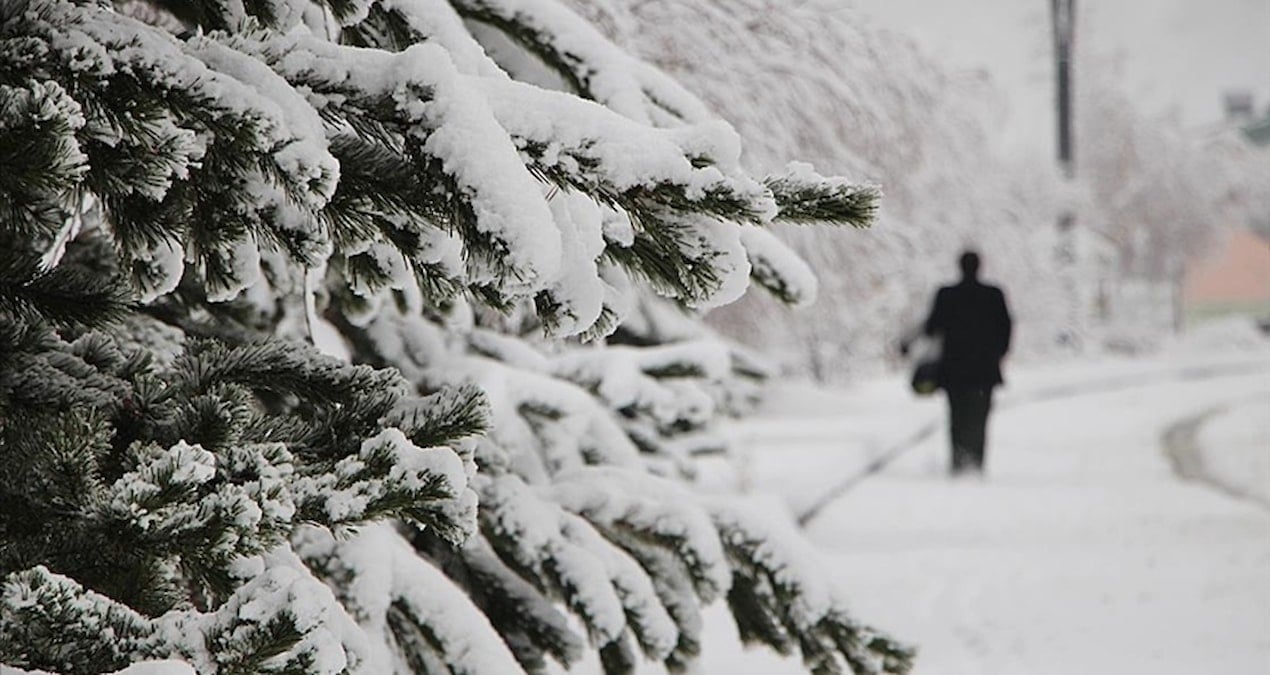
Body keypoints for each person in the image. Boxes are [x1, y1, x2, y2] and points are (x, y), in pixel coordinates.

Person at [913, 250, 1012, 475]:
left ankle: (958, 461)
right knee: (980, 416)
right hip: (984, 370)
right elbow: (1005, 328)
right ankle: (976, 462)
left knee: (957, 416)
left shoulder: (947, 295)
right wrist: (998, 354)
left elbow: (932, 327)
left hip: (954, 369)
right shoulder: (993, 295)